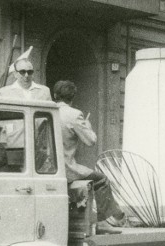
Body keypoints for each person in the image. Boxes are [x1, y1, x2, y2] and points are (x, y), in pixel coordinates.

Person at [53, 80, 125, 233]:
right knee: (101, 179)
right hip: (67, 169)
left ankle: (115, 214)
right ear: (72, 97)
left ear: (54, 95)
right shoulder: (74, 115)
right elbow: (91, 140)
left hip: (49, 169)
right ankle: (103, 221)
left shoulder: (47, 111)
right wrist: (88, 125)